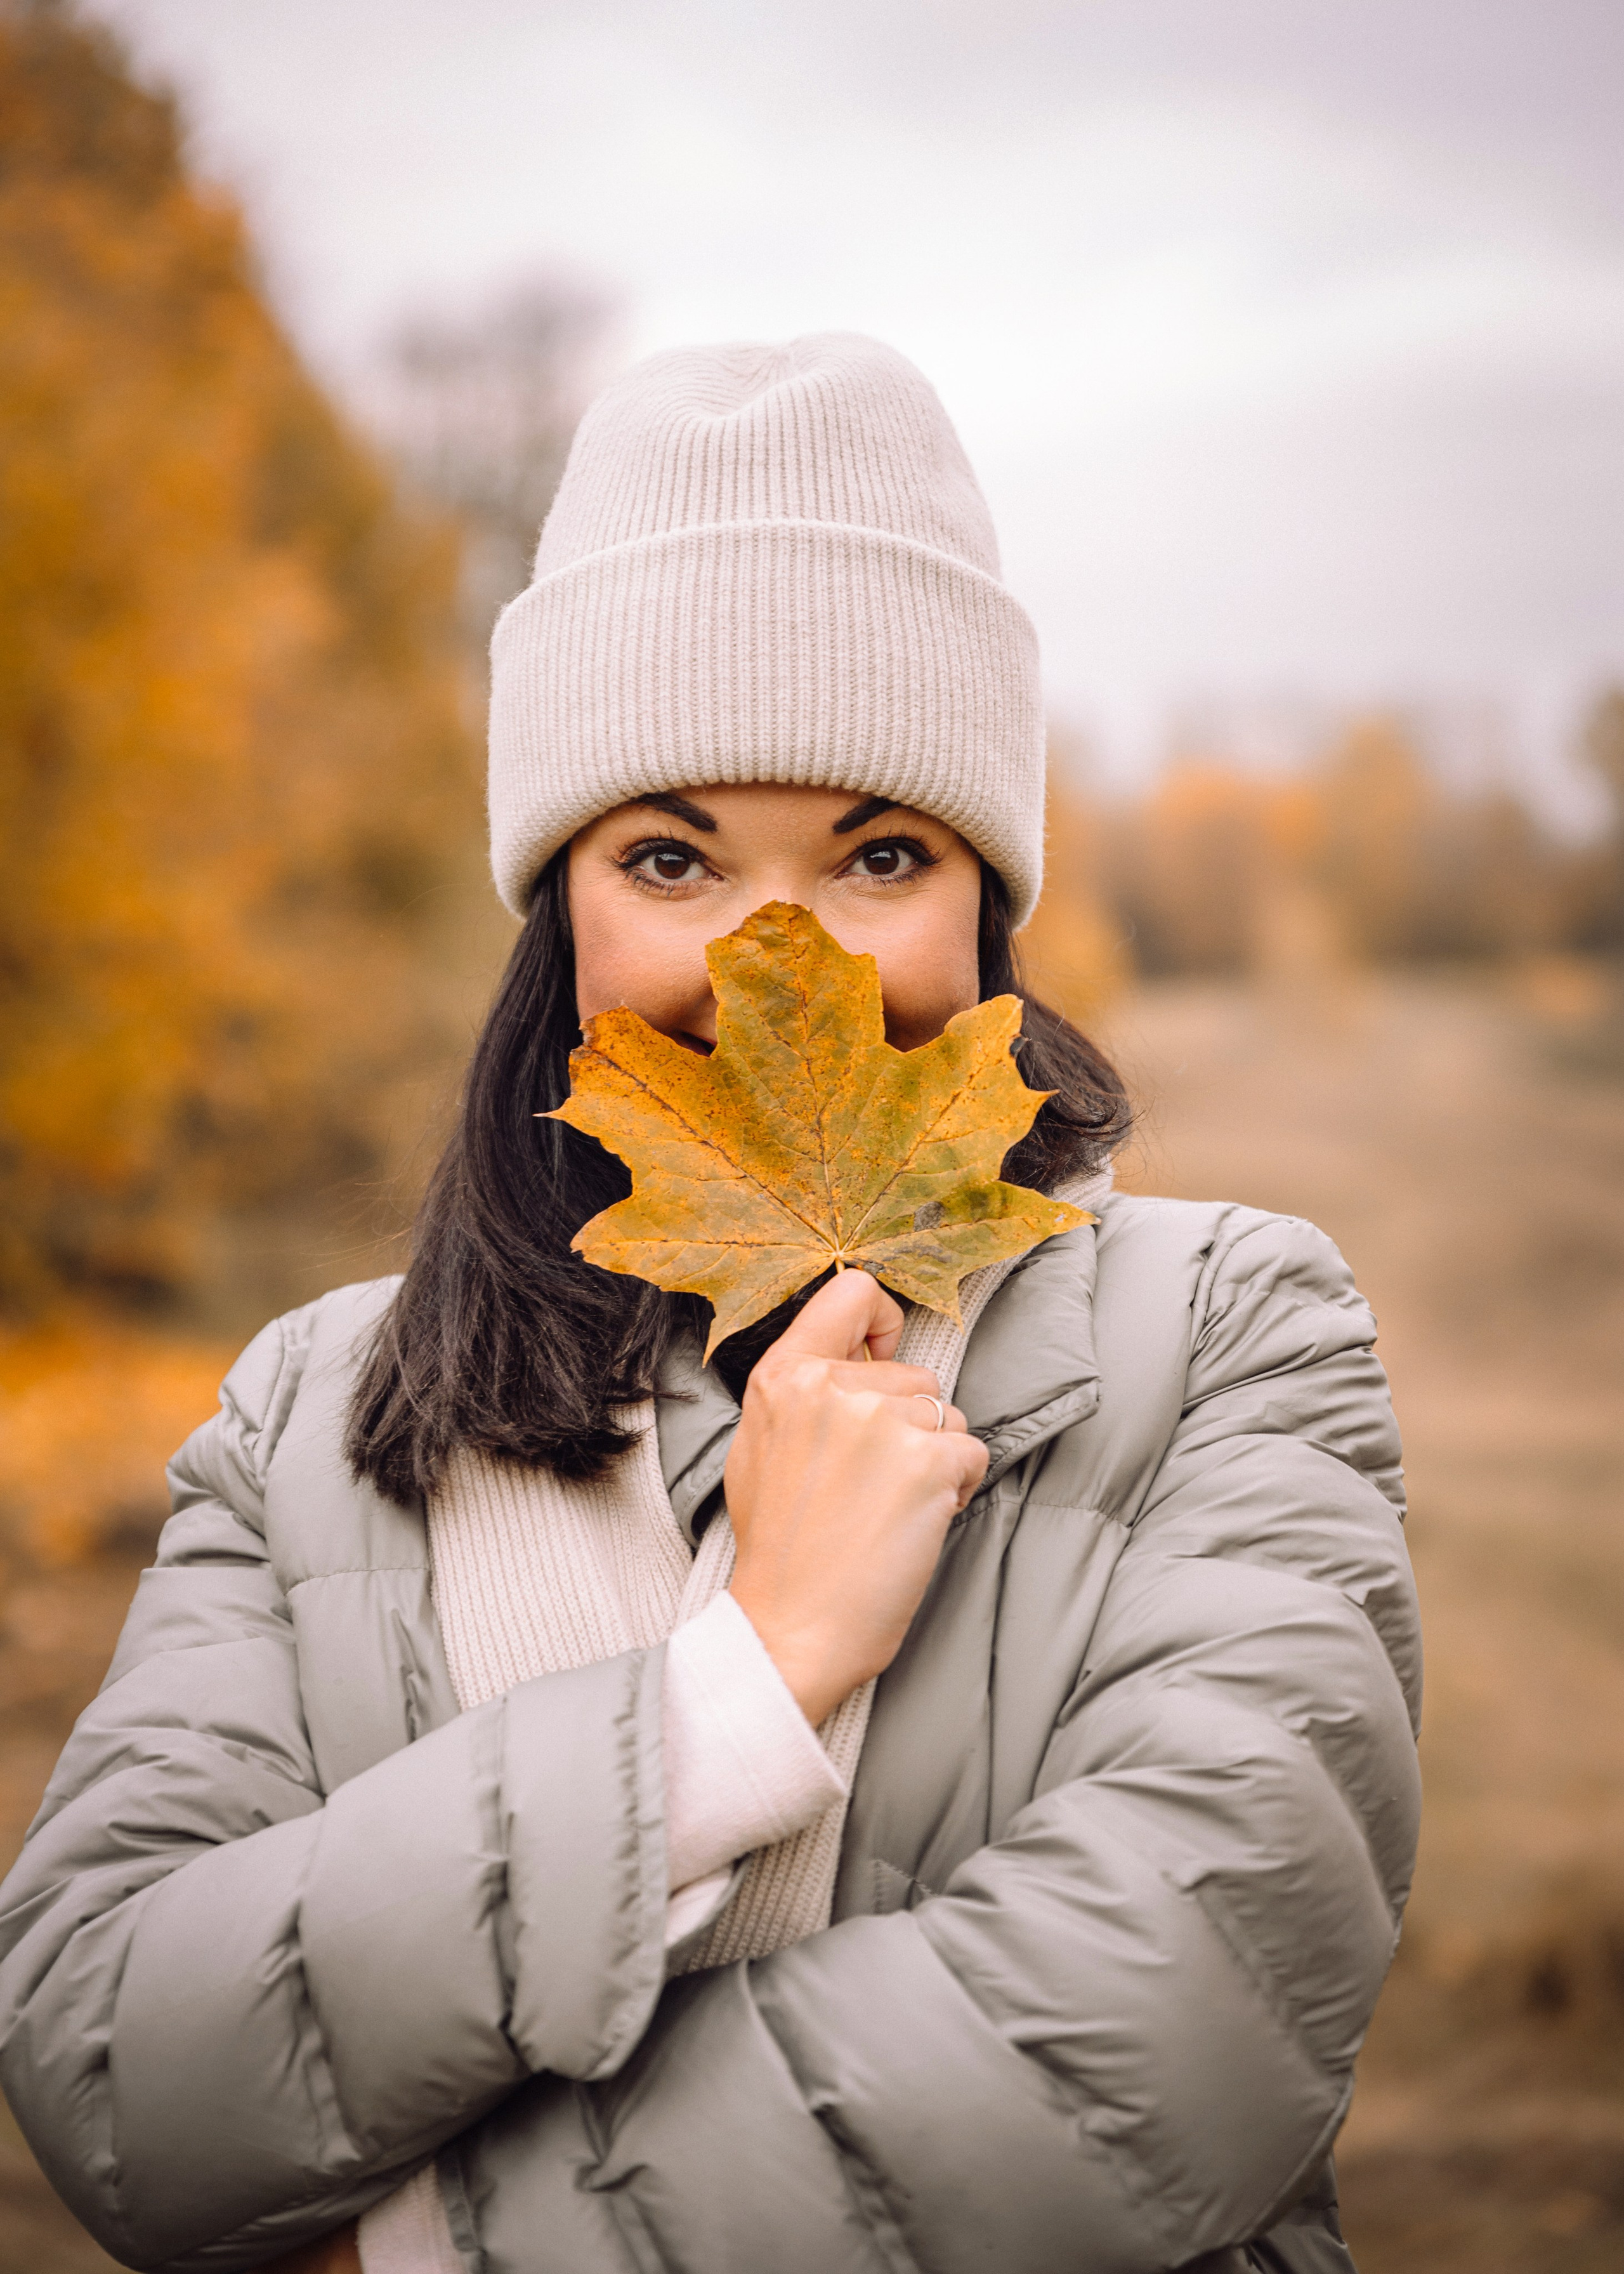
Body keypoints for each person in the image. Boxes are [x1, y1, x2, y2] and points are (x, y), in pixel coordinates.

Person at [0, 336, 1420, 2274]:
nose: (775, 957)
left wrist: (427, 2252)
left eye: (880, 854)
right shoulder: (313, 1410)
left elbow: (1152, 2040)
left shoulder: (1230, 1333)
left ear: (985, 902)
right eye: (669, 854)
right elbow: (112, 2063)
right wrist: (736, 1688)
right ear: (556, 906)